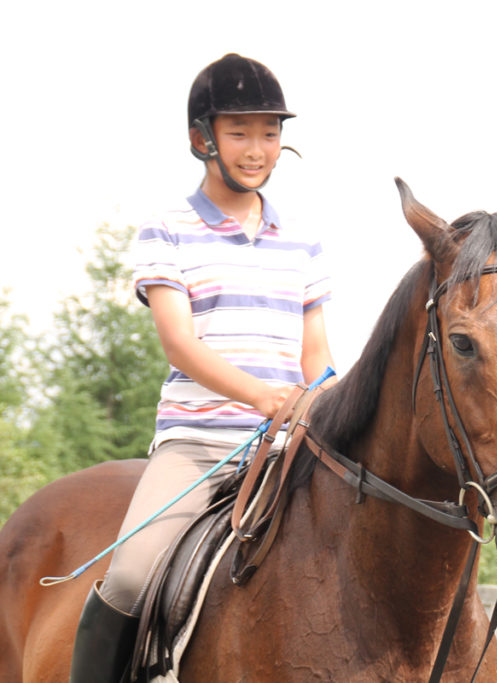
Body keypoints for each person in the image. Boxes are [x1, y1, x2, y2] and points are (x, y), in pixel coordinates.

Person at [69, 53, 335, 682]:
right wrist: (265, 397)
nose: (257, 148)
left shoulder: (303, 237)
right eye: (240, 132)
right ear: (201, 139)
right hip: (196, 445)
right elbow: (180, 346)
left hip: (288, 448)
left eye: (270, 133)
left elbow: (316, 354)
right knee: (131, 576)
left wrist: (322, 400)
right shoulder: (168, 231)